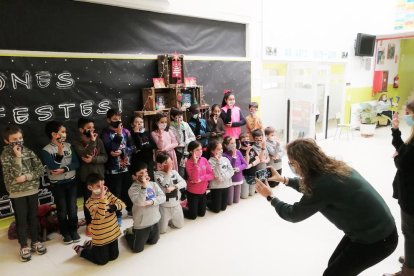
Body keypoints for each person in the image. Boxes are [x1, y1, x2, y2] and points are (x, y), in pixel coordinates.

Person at [255, 138, 398, 276]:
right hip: (374, 229)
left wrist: (270, 197)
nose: (291, 166)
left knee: (333, 274)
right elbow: (315, 187)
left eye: (292, 163)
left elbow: (293, 214)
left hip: (378, 239)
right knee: (334, 266)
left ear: (302, 163)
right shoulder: (334, 167)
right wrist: (284, 179)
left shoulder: (322, 184)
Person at [1, 125, 47, 262]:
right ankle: (23, 245)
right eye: (14, 139)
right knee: (21, 220)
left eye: (20, 138)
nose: (18, 141)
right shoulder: (5, 156)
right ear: (7, 141)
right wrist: (18, 157)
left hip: (32, 189)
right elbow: (15, 175)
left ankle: (35, 241)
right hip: (17, 193)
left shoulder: (29, 151)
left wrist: (26, 177)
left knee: (33, 216)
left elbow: (39, 169)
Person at [384, 102, 414, 276]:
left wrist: (398, 158)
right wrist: (395, 130)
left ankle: (408, 270)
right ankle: (411, 259)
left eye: (408, 113)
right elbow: (403, 150)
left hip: (411, 196)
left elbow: (403, 161)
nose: (405, 116)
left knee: (409, 232)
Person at [73, 173, 125, 265]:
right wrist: (102, 198)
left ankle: (90, 244)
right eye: (98, 186)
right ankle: (82, 251)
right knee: (102, 261)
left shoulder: (108, 195)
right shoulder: (89, 203)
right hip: (100, 236)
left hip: (112, 233)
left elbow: (122, 204)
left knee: (114, 256)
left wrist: (114, 207)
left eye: (103, 184)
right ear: (90, 188)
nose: (102, 188)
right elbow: (100, 216)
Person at [41, 121, 80, 245]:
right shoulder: (46, 150)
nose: (65, 134)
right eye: (62, 132)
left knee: (72, 208)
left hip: (71, 181)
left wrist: (65, 169)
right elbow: (53, 167)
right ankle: (65, 232)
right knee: (62, 209)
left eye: (65, 132)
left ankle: (73, 230)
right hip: (57, 185)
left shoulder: (69, 145)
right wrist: (59, 152)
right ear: (54, 134)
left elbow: (76, 163)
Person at [73, 117, 108, 237]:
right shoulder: (77, 142)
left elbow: (104, 157)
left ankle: (102, 221)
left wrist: (93, 159)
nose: (92, 130)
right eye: (88, 128)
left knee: (101, 199)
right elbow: (84, 154)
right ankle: (90, 224)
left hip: (99, 175)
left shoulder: (98, 140)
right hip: (87, 177)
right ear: (81, 130)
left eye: (93, 127)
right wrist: (92, 142)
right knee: (89, 202)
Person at [101, 108, 134, 224]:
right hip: (112, 170)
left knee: (128, 190)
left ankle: (131, 209)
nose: (118, 121)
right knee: (116, 193)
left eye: (119, 119)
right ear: (108, 120)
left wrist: (124, 151)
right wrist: (118, 135)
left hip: (125, 167)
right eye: (114, 119)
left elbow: (132, 147)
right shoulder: (105, 133)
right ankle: (117, 215)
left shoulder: (126, 132)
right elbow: (110, 147)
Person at [124, 162, 166, 253]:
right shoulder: (132, 189)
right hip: (141, 224)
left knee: (153, 242)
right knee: (137, 249)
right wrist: (144, 187)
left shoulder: (153, 184)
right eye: (141, 173)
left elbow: (163, 197)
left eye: (145, 172)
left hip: (155, 220)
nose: (145, 175)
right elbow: (140, 202)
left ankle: (145, 235)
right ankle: (128, 232)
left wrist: (152, 201)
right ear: (134, 177)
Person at [154, 152, 186, 233]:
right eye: (167, 163)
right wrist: (167, 173)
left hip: (176, 204)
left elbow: (184, 183)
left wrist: (175, 187)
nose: (171, 164)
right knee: (162, 231)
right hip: (164, 206)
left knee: (180, 226)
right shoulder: (157, 175)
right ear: (160, 165)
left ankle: (172, 220)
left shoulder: (174, 172)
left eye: (171, 161)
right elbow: (165, 185)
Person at [184, 141, 214, 220]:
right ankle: (182, 207)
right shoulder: (188, 163)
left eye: (201, 149)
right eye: (197, 150)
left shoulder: (204, 160)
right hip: (193, 193)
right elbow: (194, 178)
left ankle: (191, 204)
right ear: (191, 151)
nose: (200, 151)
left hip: (203, 191)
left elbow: (211, 175)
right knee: (193, 216)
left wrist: (201, 178)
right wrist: (195, 163)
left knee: (201, 214)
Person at [207, 139, 234, 213]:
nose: (221, 150)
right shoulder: (210, 161)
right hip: (216, 187)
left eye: (221, 148)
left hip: (226, 185)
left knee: (223, 208)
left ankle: (210, 197)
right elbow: (216, 174)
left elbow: (231, 171)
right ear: (212, 151)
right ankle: (204, 201)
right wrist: (218, 162)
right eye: (218, 149)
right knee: (216, 210)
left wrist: (223, 177)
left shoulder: (225, 159)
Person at [169, 107, 195, 178]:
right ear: (172, 117)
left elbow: (193, 137)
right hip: (179, 152)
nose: (180, 119)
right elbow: (178, 142)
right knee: (181, 171)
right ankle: (182, 187)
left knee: (189, 170)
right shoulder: (171, 127)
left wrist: (186, 142)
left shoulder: (185, 124)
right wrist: (178, 127)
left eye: (181, 116)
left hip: (187, 151)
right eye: (177, 117)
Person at [130, 114, 156, 180]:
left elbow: (154, 145)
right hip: (139, 161)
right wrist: (136, 133)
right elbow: (139, 146)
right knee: (142, 180)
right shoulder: (131, 134)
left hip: (149, 160)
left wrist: (144, 145)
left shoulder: (146, 132)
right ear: (132, 124)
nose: (139, 124)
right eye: (136, 122)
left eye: (141, 122)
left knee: (150, 179)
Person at [222, 136, 247, 205]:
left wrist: (239, 168)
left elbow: (245, 164)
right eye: (231, 143)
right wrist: (233, 156)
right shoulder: (224, 155)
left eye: (235, 143)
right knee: (229, 202)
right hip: (230, 180)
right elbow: (230, 167)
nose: (234, 145)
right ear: (226, 145)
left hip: (238, 178)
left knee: (236, 201)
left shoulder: (238, 152)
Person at [238, 133, 259, 198]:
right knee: (244, 196)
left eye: (248, 139)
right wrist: (247, 153)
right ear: (240, 141)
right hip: (244, 176)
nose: (246, 141)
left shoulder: (252, 149)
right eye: (244, 139)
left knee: (252, 194)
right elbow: (245, 163)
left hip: (252, 174)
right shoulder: (239, 152)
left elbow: (258, 160)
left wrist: (251, 164)